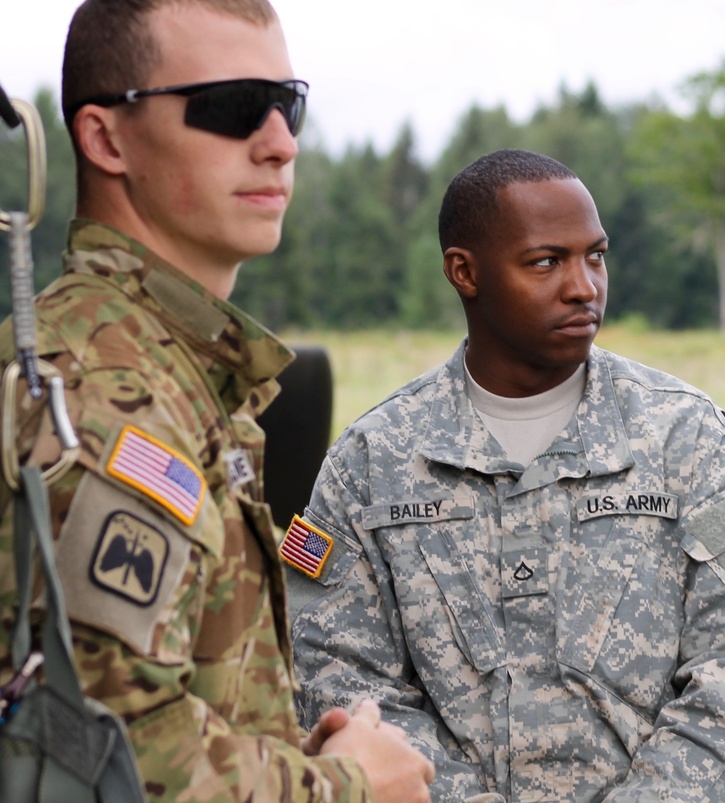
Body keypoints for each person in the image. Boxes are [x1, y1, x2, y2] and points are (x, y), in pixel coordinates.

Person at [0, 1, 435, 801]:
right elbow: (111, 756)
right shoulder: (109, 393)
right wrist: (347, 786)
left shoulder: (180, 368)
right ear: (105, 138)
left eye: (287, 104)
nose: (279, 142)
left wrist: (298, 755)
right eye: (233, 107)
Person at [285, 148, 725, 801]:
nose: (584, 285)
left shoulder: (686, 436)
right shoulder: (373, 460)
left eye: (596, 255)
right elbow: (338, 680)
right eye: (546, 261)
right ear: (464, 272)